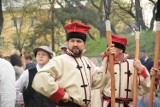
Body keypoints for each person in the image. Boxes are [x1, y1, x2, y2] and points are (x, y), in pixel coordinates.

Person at [32, 21, 111, 107]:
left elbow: (98, 81)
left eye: (79, 41)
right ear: (68, 43)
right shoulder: (60, 60)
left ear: (84, 44)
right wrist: (60, 94)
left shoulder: (87, 61)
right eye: (72, 41)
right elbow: (40, 78)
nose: (75, 44)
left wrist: (108, 59)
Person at [102, 34, 151, 107]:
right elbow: (98, 85)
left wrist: (141, 69)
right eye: (108, 47)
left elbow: (147, 87)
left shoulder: (134, 65)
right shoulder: (106, 64)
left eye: (112, 47)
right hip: (109, 104)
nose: (109, 49)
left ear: (121, 50)